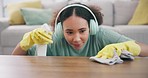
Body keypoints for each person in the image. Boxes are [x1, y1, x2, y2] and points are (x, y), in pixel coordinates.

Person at [12, 3, 148, 58]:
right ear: (60, 30)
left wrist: (126, 46)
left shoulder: (102, 35)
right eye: (69, 32)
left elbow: (145, 49)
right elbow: (15, 58)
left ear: (92, 27)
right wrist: (24, 43)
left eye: (82, 31)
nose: (76, 39)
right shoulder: (52, 39)